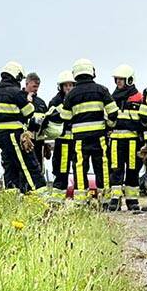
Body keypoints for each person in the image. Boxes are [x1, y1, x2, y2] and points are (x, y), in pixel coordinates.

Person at [49, 58, 118, 204]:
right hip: (99, 137)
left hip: (80, 139)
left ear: (76, 74)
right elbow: (113, 112)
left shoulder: (71, 95)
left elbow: (65, 117)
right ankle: (105, 201)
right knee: (103, 166)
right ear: (91, 72)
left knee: (80, 167)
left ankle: (81, 201)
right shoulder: (102, 90)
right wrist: (109, 125)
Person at [0, 61, 47, 193]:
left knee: (10, 168)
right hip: (15, 134)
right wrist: (30, 102)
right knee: (30, 166)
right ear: (16, 76)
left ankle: (11, 200)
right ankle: (40, 197)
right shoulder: (16, 93)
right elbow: (29, 112)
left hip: (1, 134)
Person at [107, 65, 147, 211]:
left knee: (133, 170)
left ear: (129, 80)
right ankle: (115, 200)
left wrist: (145, 143)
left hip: (133, 141)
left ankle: (132, 201)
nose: (118, 82)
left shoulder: (139, 98)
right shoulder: (112, 99)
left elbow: (144, 121)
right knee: (116, 170)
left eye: (121, 79)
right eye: (117, 79)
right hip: (116, 141)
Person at [47, 70, 75, 191]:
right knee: (61, 171)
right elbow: (50, 118)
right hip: (62, 141)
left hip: (76, 141)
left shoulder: (78, 98)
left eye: (70, 85)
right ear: (61, 87)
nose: (68, 88)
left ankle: (81, 199)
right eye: (66, 85)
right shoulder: (56, 102)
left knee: (80, 170)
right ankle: (58, 200)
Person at [24, 72, 49, 171]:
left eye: (37, 86)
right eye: (34, 86)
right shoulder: (20, 99)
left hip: (39, 142)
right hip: (26, 141)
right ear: (27, 84)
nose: (36, 89)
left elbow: (46, 121)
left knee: (39, 168)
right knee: (26, 168)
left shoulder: (41, 103)